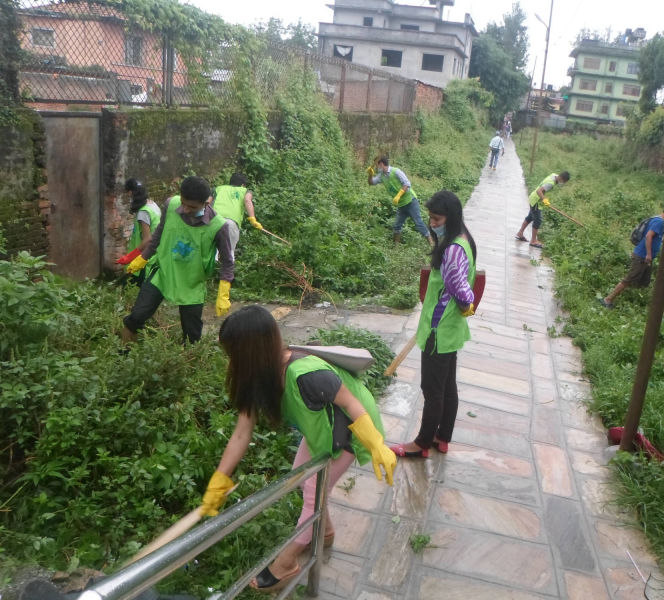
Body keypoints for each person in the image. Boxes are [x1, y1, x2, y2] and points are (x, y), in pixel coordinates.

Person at [199, 305, 396, 593]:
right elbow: (241, 433)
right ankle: (325, 532)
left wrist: (376, 443)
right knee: (303, 478)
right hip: (321, 427)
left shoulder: (307, 374)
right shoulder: (259, 375)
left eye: (233, 354)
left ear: (250, 352)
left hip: (351, 429)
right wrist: (220, 478)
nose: (230, 362)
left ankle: (287, 561)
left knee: (314, 492)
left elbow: (351, 404)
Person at [391, 190, 477, 458]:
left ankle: (421, 443)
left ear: (451, 218)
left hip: (438, 331)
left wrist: (466, 303)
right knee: (447, 385)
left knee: (432, 390)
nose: (432, 223)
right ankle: (443, 437)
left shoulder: (452, 250)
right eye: (430, 218)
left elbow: (459, 288)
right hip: (451, 329)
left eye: (437, 219)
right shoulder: (463, 239)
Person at [121, 176, 234, 344]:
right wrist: (143, 258)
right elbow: (158, 235)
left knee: (191, 335)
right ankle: (124, 351)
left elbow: (227, 261)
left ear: (207, 202)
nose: (186, 209)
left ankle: (190, 358)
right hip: (163, 274)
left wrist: (223, 292)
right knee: (135, 317)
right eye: (183, 203)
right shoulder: (171, 204)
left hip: (191, 283)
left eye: (192, 207)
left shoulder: (219, 226)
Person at [601, 204, 664, 308]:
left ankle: (635, 303)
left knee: (643, 282)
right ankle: (608, 299)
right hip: (642, 256)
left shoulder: (658, 221)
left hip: (646, 257)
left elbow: (657, 239)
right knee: (629, 279)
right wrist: (648, 254)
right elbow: (648, 236)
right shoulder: (659, 222)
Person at [368, 155, 433, 246]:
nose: (376, 167)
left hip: (410, 201)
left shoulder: (396, 171)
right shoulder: (381, 176)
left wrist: (398, 195)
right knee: (397, 225)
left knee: (418, 223)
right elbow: (371, 183)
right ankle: (396, 246)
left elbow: (407, 184)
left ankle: (431, 243)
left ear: (381, 164)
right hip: (401, 205)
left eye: (376, 165)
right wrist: (370, 175)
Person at [115, 178, 162, 286]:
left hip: (143, 258)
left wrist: (130, 256)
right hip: (154, 253)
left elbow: (147, 239)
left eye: (128, 194)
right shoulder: (152, 204)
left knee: (133, 286)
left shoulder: (143, 212)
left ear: (130, 193)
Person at [211, 172, 264, 256]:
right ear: (243, 185)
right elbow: (247, 200)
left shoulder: (218, 188)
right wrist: (253, 219)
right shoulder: (245, 191)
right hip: (230, 223)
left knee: (212, 252)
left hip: (214, 221)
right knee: (228, 254)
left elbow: (207, 202)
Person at [515, 171, 570, 248]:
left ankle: (520, 233)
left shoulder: (553, 175)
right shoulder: (550, 184)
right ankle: (533, 241)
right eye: (563, 182)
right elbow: (539, 191)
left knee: (530, 217)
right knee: (538, 220)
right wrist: (545, 200)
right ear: (561, 178)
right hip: (536, 201)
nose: (562, 183)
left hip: (534, 198)